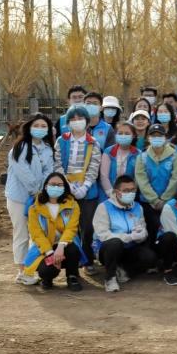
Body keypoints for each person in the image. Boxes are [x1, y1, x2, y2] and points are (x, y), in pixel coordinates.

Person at [5, 114, 56, 284]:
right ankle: (22, 271)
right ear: (29, 127)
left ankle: (32, 267)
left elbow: (49, 171)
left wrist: (43, 192)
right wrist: (37, 190)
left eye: (44, 126)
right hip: (19, 198)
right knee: (21, 233)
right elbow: (23, 172)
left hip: (40, 197)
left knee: (37, 233)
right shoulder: (20, 148)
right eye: (36, 125)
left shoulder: (48, 149)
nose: (40, 129)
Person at [55, 104, 103, 272]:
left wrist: (85, 187)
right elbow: (58, 164)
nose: (77, 121)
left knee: (87, 228)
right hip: (65, 190)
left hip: (88, 192)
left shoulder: (93, 143)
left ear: (87, 121)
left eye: (80, 118)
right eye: (73, 119)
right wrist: (67, 185)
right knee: (69, 227)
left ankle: (88, 261)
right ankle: (72, 263)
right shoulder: (61, 141)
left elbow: (94, 167)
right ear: (68, 122)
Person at [92, 175, 156, 293]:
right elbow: (103, 235)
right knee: (115, 243)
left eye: (133, 190)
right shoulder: (104, 207)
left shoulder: (138, 207)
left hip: (129, 248)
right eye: (126, 190)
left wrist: (141, 234)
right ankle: (110, 278)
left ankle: (124, 271)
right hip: (107, 249)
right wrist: (129, 237)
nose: (130, 193)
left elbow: (143, 228)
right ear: (117, 192)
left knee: (149, 257)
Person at [23, 172, 83, 291]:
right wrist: (50, 253)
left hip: (64, 245)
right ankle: (47, 278)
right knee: (47, 270)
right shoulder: (34, 208)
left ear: (65, 187)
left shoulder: (73, 205)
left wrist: (61, 246)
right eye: (52, 184)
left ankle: (72, 276)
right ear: (46, 186)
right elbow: (37, 234)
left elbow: (71, 229)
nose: (56, 187)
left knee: (73, 249)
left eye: (60, 185)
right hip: (45, 248)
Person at [134, 123, 177, 242]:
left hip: (169, 202)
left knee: (167, 231)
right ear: (148, 138)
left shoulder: (175, 156)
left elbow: (175, 179)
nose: (156, 138)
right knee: (150, 231)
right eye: (153, 135)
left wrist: (164, 199)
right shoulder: (142, 157)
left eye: (160, 135)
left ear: (165, 137)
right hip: (147, 202)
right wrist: (154, 200)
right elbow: (142, 180)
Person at [98, 121, 140, 201]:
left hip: (129, 196)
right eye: (120, 133)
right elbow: (104, 176)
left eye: (127, 133)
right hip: (108, 196)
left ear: (133, 136)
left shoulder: (138, 154)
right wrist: (112, 194)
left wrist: (129, 194)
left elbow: (137, 178)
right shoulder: (108, 151)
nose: (123, 136)